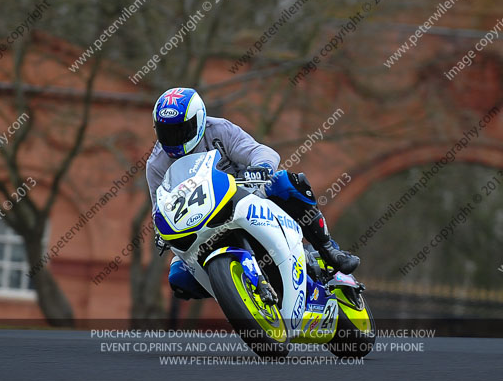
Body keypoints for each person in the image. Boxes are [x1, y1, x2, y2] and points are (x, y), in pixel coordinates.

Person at [146, 87, 359, 300]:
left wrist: (262, 167)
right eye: (166, 132)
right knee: (178, 279)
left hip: (247, 196)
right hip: (200, 224)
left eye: (181, 129)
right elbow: (161, 206)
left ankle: (329, 249)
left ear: (199, 120)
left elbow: (260, 151)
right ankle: (235, 290)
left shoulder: (220, 130)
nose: (174, 138)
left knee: (286, 182)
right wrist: (161, 232)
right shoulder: (156, 164)